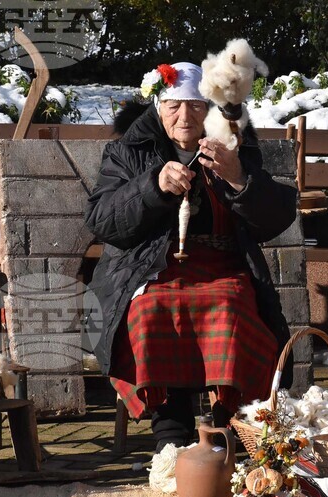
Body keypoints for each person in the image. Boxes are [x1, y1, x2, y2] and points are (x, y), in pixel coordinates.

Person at [85, 62, 296, 453]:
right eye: (174, 106)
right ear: (158, 106)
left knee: (231, 307)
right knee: (150, 310)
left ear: (211, 110)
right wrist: (153, 186)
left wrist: (238, 179)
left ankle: (228, 429)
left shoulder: (236, 145)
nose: (185, 116)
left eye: (197, 107)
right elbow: (102, 220)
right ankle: (171, 438)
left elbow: (275, 219)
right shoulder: (127, 150)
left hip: (224, 266)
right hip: (149, 269)